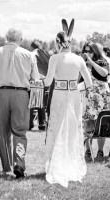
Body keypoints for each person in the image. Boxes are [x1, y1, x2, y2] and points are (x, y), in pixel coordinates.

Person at [0, 28, 39, 178]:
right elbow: (36, 81)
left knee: (3, 132)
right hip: (21, 95)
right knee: (20, 132)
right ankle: (19, 164)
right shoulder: (28, 55)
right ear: (20, 40)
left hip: (0, 94)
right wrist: (34, 101)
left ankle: (6, 167)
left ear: (7, 38)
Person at [43, 19, 92, 188]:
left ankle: (56, 165)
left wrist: (37, 81)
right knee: (72, 130)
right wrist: (74, 87)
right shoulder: (78, 59)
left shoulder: (54, 58)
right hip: (74, 97)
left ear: (58, 43)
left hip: (59, 96)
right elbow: (89, 83)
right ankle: (70, 164)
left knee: (56, 129)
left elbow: (48, 81)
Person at [82, 42, 110, 160]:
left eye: (89, 51)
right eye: (85, 51)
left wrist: (91, 62)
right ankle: (88, 151)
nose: (87, 53)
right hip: (89, 95)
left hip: (102, 95)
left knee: (102, 124)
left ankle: (100, 152)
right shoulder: (84, 63)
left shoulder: (103, 61)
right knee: (88, 123)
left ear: (95, 51)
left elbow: (104, 73)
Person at [29, 40, 46, 130]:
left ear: (32, 47)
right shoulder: (44, 55)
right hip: (42, 80)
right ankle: (42, 123)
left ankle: (30, 123)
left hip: (32, 80)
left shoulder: (30, 54)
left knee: (31, 102)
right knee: (41, 103)